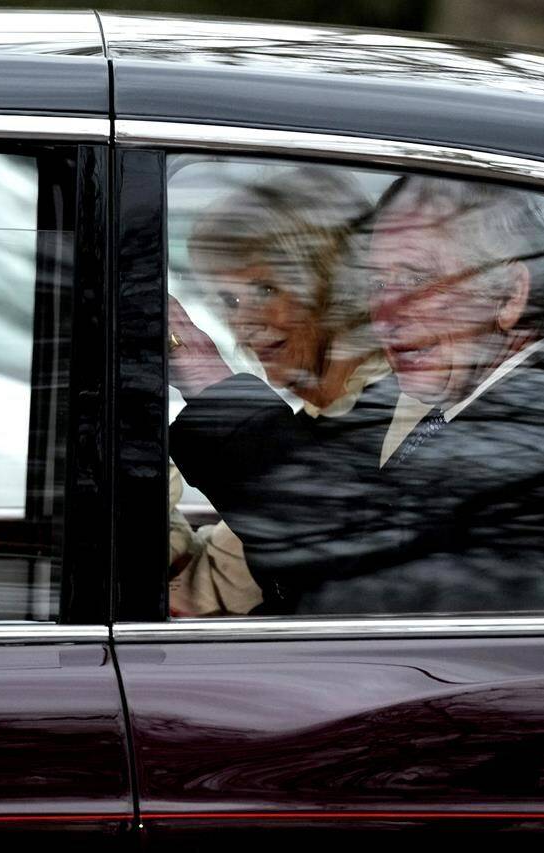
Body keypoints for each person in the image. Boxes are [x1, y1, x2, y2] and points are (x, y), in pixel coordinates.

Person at [171, 174, 544, 615]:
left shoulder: (540, 434)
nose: (385, 312)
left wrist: (208, 380)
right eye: (378, 282)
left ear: (509, 297)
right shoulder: (474, 411)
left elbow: (359, 583)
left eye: (417, 279)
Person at [167, 166, 396, 615]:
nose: (243, 321)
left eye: (266, 288)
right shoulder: (316, 423)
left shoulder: (396, 423)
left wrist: (206, 378)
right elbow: (202, 589)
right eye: (230, 300)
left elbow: (332, 571)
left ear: (333, 284)